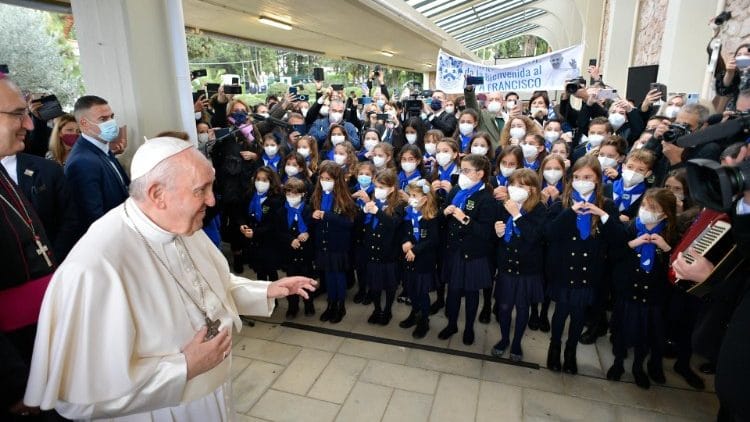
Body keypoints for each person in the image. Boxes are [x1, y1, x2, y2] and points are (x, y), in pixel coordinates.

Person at [23, 137, 317, 420]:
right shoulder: (95, 267)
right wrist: (183, 368)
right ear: (157, 194)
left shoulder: (179, 223)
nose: (212, 200)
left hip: (213, 393)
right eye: (201, 190)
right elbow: (78, 402)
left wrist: (265, 290)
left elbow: (208, 287)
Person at [0, 76, 60, 420]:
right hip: (16, 360)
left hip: (43, 340)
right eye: (17, 114)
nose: (29, 124)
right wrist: (14, 383)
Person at [545, 155, 619, 374]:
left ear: (597, 179)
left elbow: (618, 239)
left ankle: (570, 352)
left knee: (578, 316)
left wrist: (603, 215)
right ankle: (554, 347)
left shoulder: (607, 205)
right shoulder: (562, 202)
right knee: (560, 313)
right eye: (577, 177)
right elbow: (549, 233)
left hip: (589, 272)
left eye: (587, 176)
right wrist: (570, 212)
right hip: (564, 269)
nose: (582, 180)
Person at [607, 188, 676, 389]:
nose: (646, 210)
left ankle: (638, 367)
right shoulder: (629, 228)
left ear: (664, 213)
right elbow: (614, 255)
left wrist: (666, 249)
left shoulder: (669, 233)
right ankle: (618, 363)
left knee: (645, 335)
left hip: (652, 296)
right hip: (627, 291)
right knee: (621, 330)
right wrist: (631, 244)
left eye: (653, 208)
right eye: (645, 205)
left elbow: (676, 266)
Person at [438, 154, 495, 345]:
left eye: (466, 171)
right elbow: (443, 214)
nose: (462, 174)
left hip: (473, 254)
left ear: (480, 174)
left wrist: (464, 219)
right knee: (452, 291)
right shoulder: (456, 190)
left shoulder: (486, 198)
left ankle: (469, 327)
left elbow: (486, 232)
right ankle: (452, 323)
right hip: (454, 251)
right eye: (461, 170)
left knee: (471, 294)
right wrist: (444, 213)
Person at [491, 169, 546, 362]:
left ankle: (516, 343)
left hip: (527, 269)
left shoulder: (539, 209)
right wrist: (498, 233)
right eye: (512, 184)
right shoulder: (503, 205)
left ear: (532, 189)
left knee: (522, 308)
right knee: (504, 307)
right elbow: (499, 236)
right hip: (507, 266)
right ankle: (505, 338)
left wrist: (516, 215)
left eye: (521, 186)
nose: (515, 189)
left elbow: (534, 237)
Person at [66, 95, 130, 229]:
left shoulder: (103, 149)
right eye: (103, 119)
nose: (111, 122)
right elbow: (93, 216)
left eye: (112, 116)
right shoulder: (82, 162)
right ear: (84, 123)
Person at [363, 170, 406, 326]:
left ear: (392, 188)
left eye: (382, 187)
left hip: (389, 253)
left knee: (389, 285)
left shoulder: (399, 204)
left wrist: (377, 212)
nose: (378, 190)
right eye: (376, 186)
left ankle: (387, 310)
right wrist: (365, 211)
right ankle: (376, 309)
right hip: (372, 251)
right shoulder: (376, 200)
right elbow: (366, 225)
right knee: (374, 285)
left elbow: (393, 224)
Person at [400, 179, 439, 338]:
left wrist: (415, 249)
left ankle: (424, 319)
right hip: (409, 261)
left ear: (424, 198)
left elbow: (433, 240)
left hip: (423, 261)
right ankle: (414, 312)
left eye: (414, 195)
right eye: (410, 194)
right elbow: (404, 232)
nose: (411, 198)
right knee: (411, 290)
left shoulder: (431, 217)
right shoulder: (408, 212)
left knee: (422, 292)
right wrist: (405, 241)